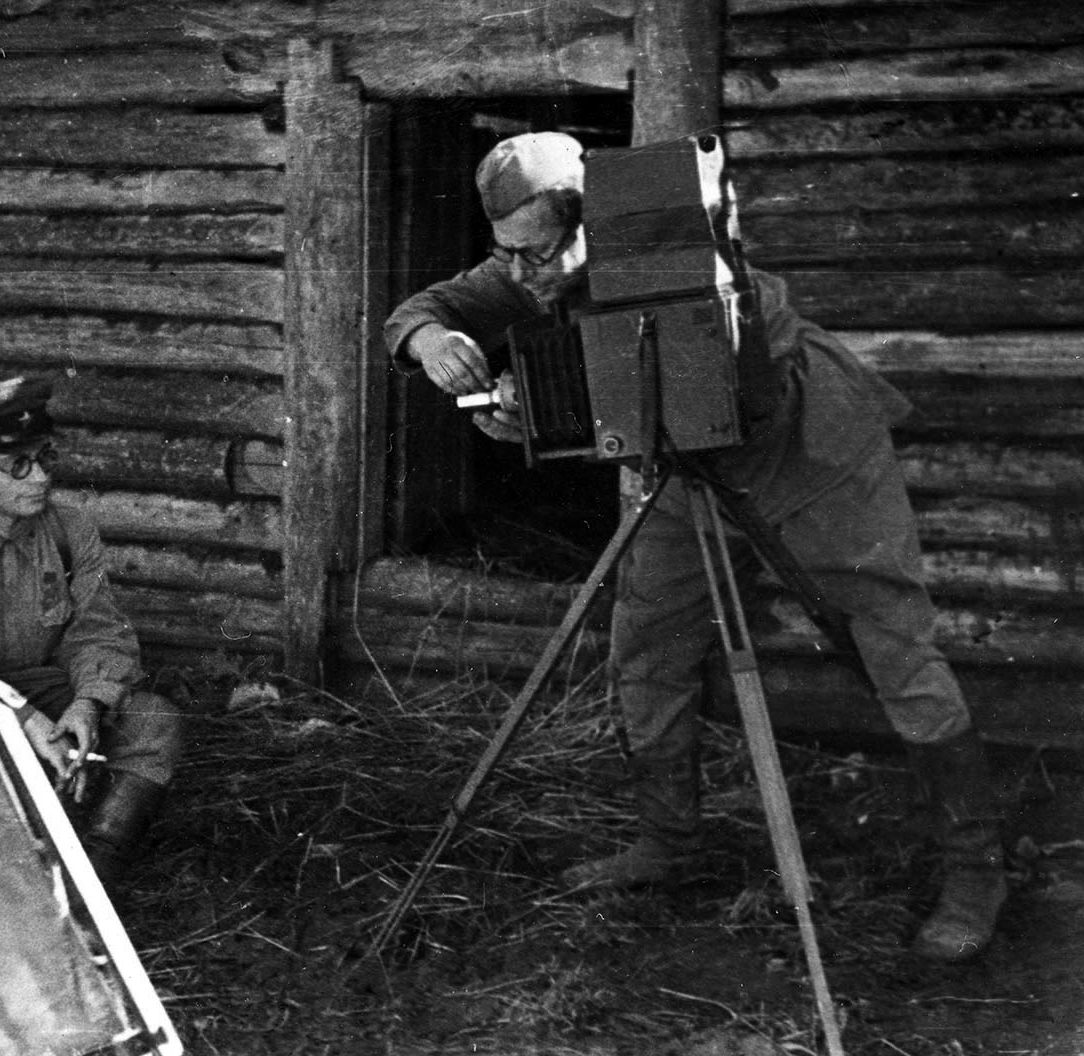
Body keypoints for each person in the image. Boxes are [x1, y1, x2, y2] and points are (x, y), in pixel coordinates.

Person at [383, 131, 1007, 963]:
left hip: (811, 451)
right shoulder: (527, 266)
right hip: (680, 460)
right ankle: (666, 845)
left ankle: (977, 872)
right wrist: (433, 344)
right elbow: (424, 311)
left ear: (589, 222)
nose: (523, 276)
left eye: (536, 254)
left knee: (895, 647)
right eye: (509, 256)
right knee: (648, 646)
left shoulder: (676, 252)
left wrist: (544, 409)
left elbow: (725, 387)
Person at [0, 377, 183, 893]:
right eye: (18, 465)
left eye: (45, 456)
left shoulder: (69, 528)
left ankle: (94, 884)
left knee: (154, 724)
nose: (39, 476)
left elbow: (96, 630)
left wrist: (88, 704)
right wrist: (21, 718)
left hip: (47, 694)